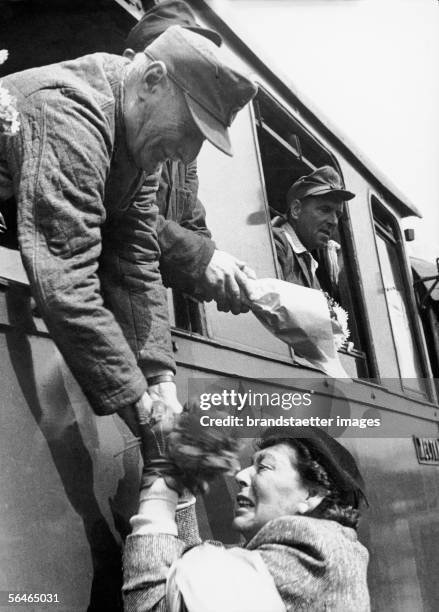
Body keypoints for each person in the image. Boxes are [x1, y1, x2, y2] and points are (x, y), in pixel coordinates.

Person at [0, 26, 257, 423]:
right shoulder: (72, 112)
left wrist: (161, 380)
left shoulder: (139, 144)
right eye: (189, 129)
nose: (187, 153)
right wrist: (144, 411)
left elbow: (135, 260)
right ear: (153, 80)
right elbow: (66, 279)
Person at [122, 426, 370, 611]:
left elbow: (155, 604)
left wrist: (160, 487)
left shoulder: (314, 557)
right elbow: (191, 585)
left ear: (311, 495)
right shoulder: (327, 555)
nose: (241, 475)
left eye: (264, 467)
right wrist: (182, 490)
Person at [124, 0, 256, 314]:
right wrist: (200, 257)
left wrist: (225, 275)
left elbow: (193, 224)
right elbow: (120, 216)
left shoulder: (182, 160)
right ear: (146, 76)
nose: (188, 150)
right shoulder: (112, 131)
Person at [273, 166, 355, 294]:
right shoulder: (276, 243)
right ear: (296, 209)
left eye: (338, 214)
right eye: (325, 209)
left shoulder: (310, 264)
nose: (333, 221)